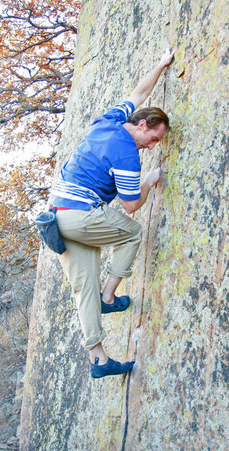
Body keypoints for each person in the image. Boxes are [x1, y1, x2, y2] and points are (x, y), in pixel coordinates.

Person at [49, 47, 174, 378]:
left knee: (82, 288)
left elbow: (138, 92)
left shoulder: (108, 121)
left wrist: (161, 64)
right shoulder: (128, 155)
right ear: (143, 125)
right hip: (81, 215)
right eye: (153, 138)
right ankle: (108, 295)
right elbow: (131, 207)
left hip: (56, 218)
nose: (151, 146)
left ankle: (98, 359)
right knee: (132, 233)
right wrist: (148, 182)